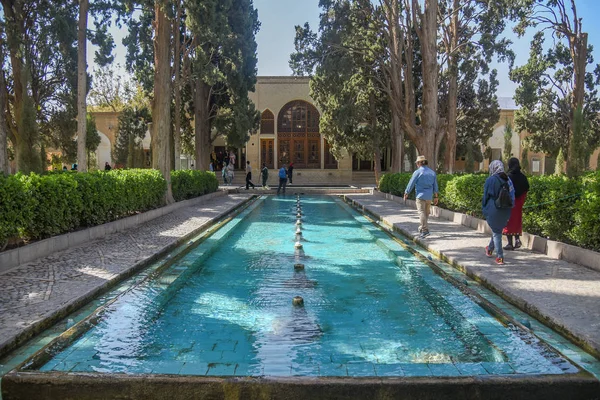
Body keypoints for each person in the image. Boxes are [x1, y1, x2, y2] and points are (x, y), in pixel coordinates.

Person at [482, 160, 515, 265]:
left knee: (496, 232)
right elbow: (512, 195)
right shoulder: (508, 179)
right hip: (506, 209)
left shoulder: (490, 180)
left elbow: (486, 197)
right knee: (497, 230)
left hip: (494, 209)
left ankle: (500, 257)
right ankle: (490, 249)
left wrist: (484, 208)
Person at [404, 155, 439, 238]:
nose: (417, 164)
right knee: (426, 213)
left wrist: (406, 192)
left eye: (417, 163)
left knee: (422, 213)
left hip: (420, 196)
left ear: (419, 163)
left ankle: (425, 230)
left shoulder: (418, 172)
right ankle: (422, 227)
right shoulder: (432, 172)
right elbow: (435, 186)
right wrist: (436, 196)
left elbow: (411, 183)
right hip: (429, 196)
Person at [503, 157, 529, 250]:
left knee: (508, 222)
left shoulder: (507, 176)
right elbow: (526, 188)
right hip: (518, 203)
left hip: (509, 203)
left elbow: (504, 190)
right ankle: (517, 240)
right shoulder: (523, 177)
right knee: (517, 221)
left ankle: (510, 243)